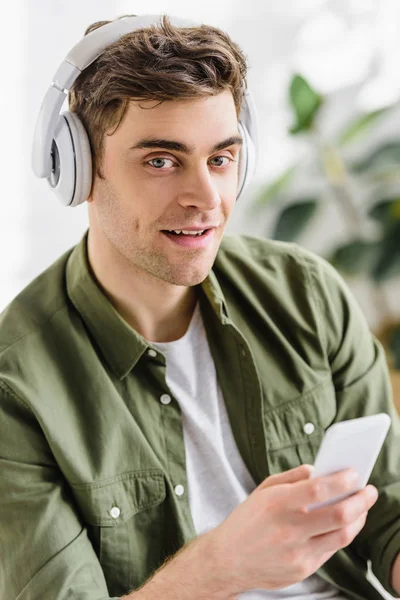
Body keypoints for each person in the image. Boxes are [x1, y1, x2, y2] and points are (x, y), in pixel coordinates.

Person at [1, 13, 400, 600]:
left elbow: (388, 515)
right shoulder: (17, 385)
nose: (206, 199)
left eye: (221, 158)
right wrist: (219, 567)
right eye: (161, 161)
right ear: (79, 169)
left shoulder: (306, 291)